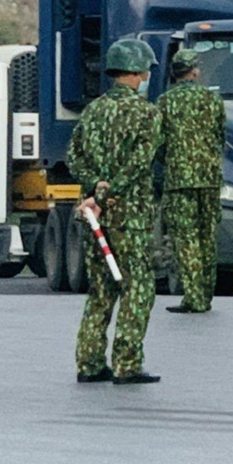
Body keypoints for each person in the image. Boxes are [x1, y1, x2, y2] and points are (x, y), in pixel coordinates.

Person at [67, 37, 164, 383]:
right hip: (130, 215)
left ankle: (89, 362)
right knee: (138, 287)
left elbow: (73, 156)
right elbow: (140, 164)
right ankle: (127, 363)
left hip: (96, 217)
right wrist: (110, 191)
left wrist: (95, 189)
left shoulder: (92, 111)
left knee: (101, 289)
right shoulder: (147, 113)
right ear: (138, 72)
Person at [157, 48, 226, 314]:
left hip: (179, 181)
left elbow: (159, 143)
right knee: (207, 236)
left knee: (185, 239)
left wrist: (172, 161)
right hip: (209, 179)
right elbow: (220, 136)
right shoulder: (213, 99)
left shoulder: (165, 102)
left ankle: (194, 296)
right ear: (195, 71)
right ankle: (206, 295)